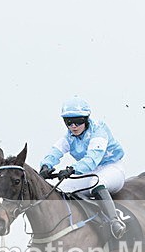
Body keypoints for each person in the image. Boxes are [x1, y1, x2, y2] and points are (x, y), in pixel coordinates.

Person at [39, 96, 128, 238]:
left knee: (96, 184)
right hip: (91, 172)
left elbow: (91, 160)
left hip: (111, 168)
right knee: (61, 188)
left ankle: (114, 222)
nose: (73, 126)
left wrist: (71, 169)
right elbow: (54, 151)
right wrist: (45, 166)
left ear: (86, 119)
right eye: (68, 122)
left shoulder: (99, 130)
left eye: (77, 121)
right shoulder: (69, 137)